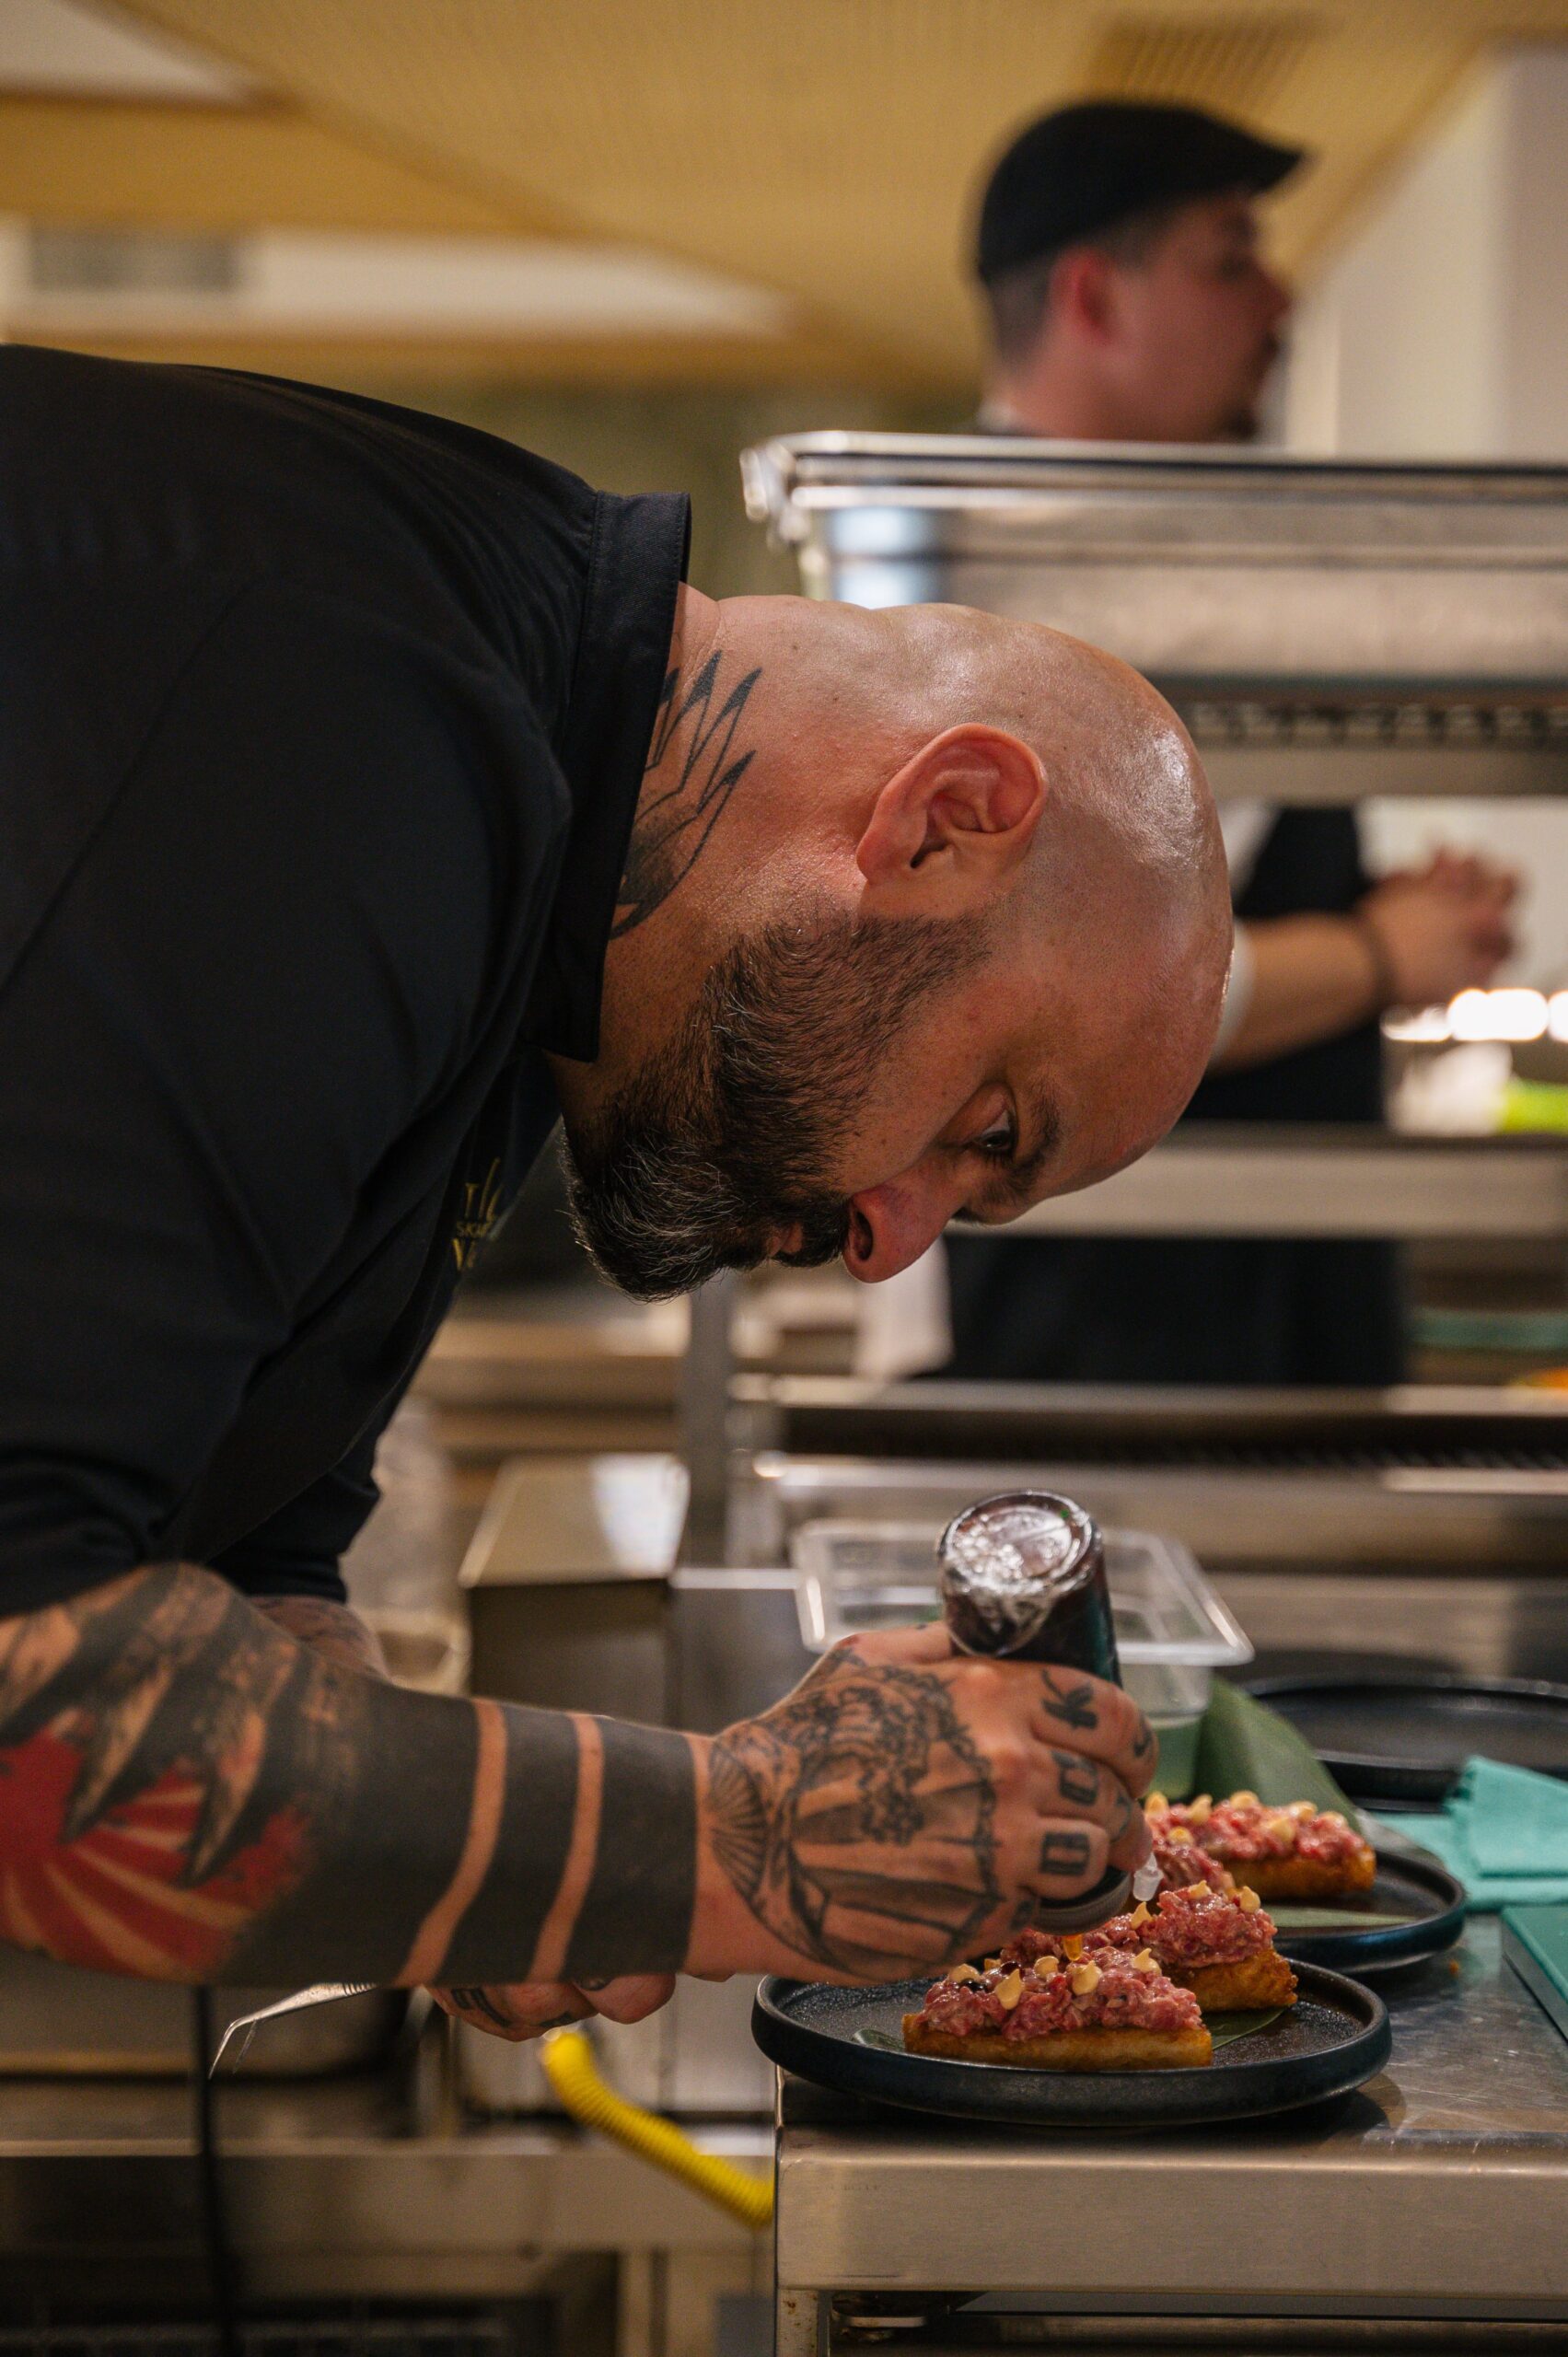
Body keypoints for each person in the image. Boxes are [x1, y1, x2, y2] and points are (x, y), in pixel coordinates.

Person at [0, 346, 1228, 2038]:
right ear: (943, 821)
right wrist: (731, 1837)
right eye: (987, 1126)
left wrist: (489, 1854)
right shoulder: (339, 721)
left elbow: (239, 1565)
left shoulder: (540, 908)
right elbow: (34, 1688)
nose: (890, 1244)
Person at [944, 100, 1516, 1386]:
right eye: (1231, 257)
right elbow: (1059, 987)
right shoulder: (987, 584)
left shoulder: (1154, 561)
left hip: (1254, 1332)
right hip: (1103, 1350)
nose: (1281, 297)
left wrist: (1376, 912)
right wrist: (1379, 954)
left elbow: (1190, 897)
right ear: (1094, 297)